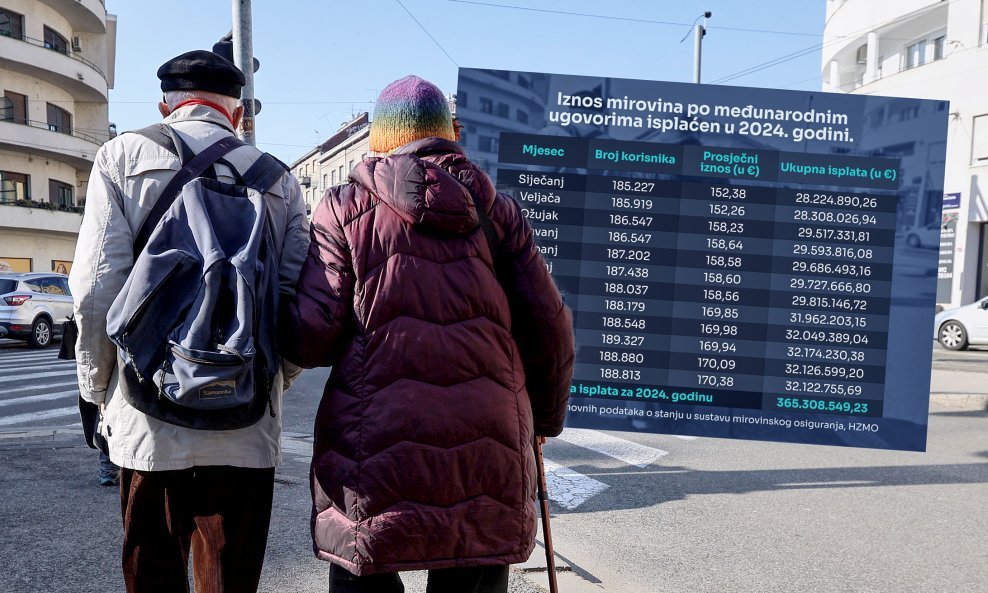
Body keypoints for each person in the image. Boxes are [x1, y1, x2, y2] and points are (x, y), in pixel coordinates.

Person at [284, 75, 575, 593]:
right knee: (473, 557)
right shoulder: (499, 211)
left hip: (373, 435)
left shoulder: (342, 208)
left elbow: (313, 336)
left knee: (366, 560)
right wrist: (544, 419)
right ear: (452, 134)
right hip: (488, 434)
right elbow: (549, 327)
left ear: (377, 142)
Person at [68, 49, 309, 593]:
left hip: (146, 415)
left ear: (165, 105)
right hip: (246, 424)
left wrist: (99, 389)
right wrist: (269, 379)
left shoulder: (121, 157)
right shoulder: (279, 181)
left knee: (151, 571)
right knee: (228, 577)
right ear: (239, 115)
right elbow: (298, 305)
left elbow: (94, 290)